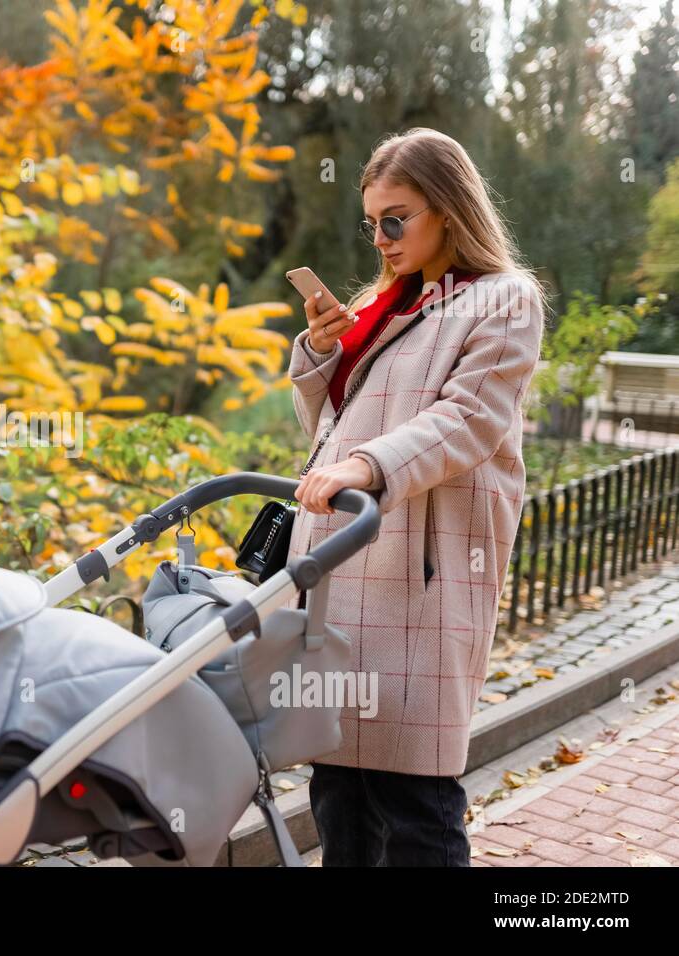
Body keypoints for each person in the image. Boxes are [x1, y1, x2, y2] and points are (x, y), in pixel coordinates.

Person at [287, 127, 548, 866]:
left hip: (419, 569)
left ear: (448, 208)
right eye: (372, 223)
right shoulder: (385, 301)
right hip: (348, 559)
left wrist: (367, 466)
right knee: (338, 787)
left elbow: (467, 420)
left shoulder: (504, 300)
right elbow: (332, 433)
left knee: (416, 799)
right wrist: (323, 354)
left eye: (395, 219)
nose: (381, 237)